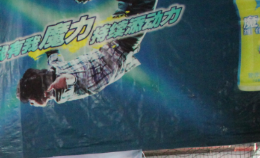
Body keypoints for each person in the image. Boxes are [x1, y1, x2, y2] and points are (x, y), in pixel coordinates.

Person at [17, 0, 157, 106]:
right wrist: (64, 79)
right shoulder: (57, 80)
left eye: (31, 101)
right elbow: (66, 76)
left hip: (119, 46)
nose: (32, 104)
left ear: (37, 94)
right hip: (117, 43)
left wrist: (46, 44)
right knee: (132, 5)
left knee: (139, 4)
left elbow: (60, 66)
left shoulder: (57, 90)